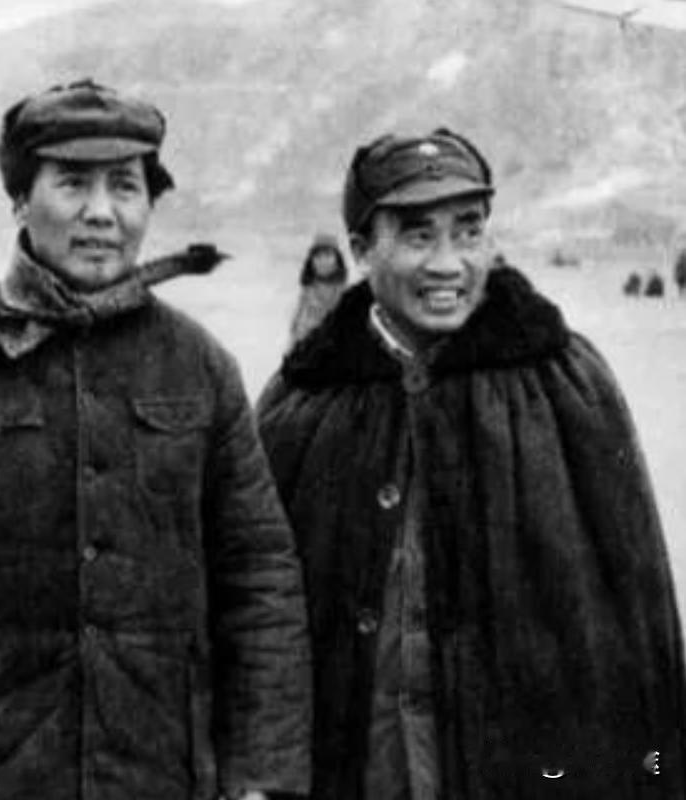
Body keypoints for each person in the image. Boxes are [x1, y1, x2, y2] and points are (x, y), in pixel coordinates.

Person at [0, 78, 312, 800]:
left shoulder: (201, 367)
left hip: (160, 771)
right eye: (72, 183)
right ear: (19, 198)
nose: (101, 212)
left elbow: (259, 581)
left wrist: (262, 779)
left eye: (125, 186)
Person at [256, 127, 686, 798]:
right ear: (362, 251)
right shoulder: (303, 405)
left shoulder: (566, 385)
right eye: (418, 236)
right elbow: (259, 624)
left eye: (468, 231)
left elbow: (637, 613)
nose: (448, 264)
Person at [288, 232, 348, 349]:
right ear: (311, 261)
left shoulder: (343, 293)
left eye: (328, 255)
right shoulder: (307, 291)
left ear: (337, 260)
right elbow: (296, 326)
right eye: (318, 256)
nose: (323, 261)